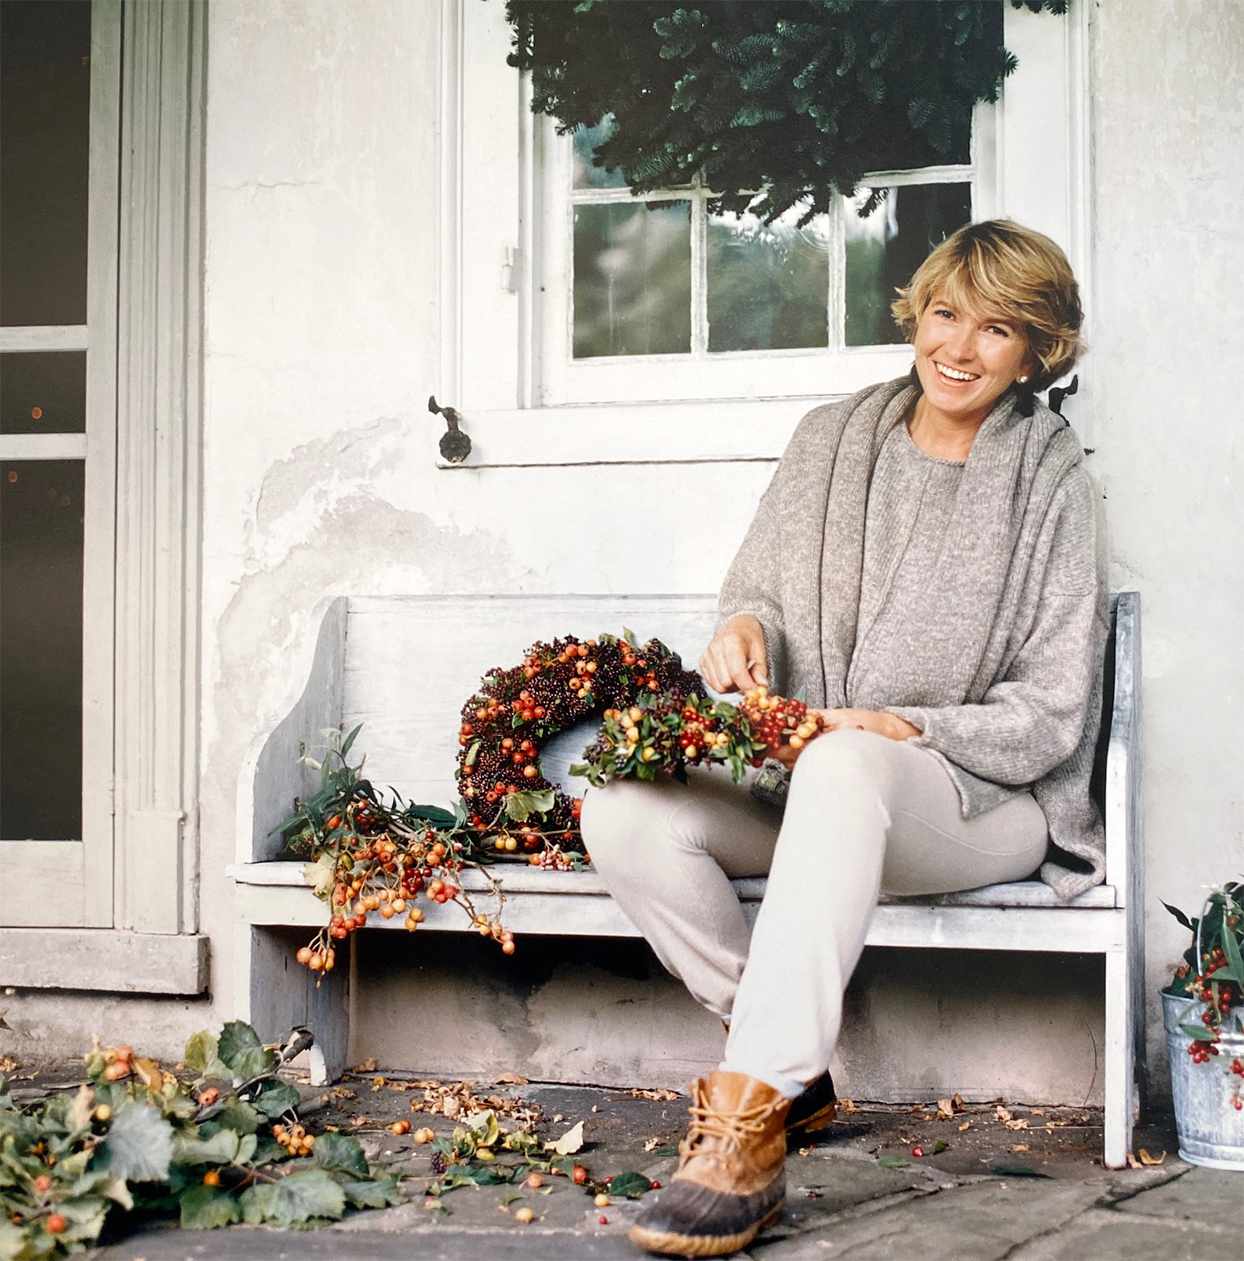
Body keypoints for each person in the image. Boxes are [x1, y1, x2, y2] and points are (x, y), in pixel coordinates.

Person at [580, 219, 1106, 1259]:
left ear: (1035, 348)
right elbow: (757, 595)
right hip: (815, 785)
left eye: (996, 329)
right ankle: (790, 1072)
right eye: (946, 313)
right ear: (917, 312)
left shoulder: (1051, 479)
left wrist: (902, 725)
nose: (958, 349)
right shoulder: (830, 438)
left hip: (974, 801)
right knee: (622, 808)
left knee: (849, 758)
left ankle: (743, 1128)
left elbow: (1052, 707)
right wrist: (740, 631)